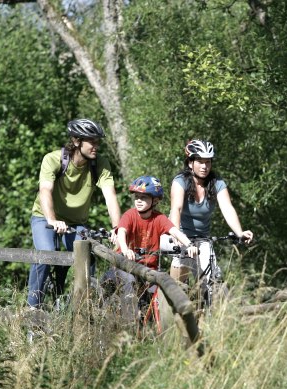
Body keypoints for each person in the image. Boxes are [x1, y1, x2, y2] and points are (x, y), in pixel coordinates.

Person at [27, 118, 121, 309]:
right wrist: (52, 220)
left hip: (76, 222)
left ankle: (82, 307)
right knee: (46, 254)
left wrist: (118, 229)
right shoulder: (53, 159)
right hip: (45, 217)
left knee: (88, 254)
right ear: (77, 141)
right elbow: (45, 191)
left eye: (98, 142)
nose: (96, 146)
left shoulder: (99, 164)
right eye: (92, 141)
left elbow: (110, 196)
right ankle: (31, 307)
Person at [101, 175, 198, 321]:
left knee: (164, 289)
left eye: (144, 197)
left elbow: (175, 232)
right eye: (137, 197)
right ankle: (130, 328)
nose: (139, 201)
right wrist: (126, 249)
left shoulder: (159, 218)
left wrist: (189, 245)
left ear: (155, 200)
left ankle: (160, 329)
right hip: (124, 267)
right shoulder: (130, 215)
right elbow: (122, 231)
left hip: (148, 271)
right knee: (129, 281)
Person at [169, 139, 253, 284]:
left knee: (210, 283)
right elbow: (176, 209)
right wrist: (177, 235)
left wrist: (240, 233)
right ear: (190, 163)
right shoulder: (180, 181)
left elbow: (227, 208)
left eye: (208, 162)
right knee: (178, 286)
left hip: (203, 239)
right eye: (200, 162)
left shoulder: (217, 183)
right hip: (181, 237)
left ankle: (206, 305)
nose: (204, 166)